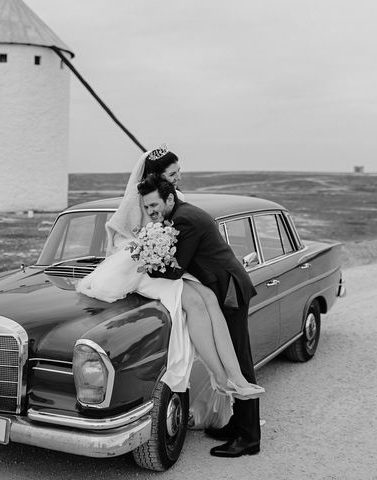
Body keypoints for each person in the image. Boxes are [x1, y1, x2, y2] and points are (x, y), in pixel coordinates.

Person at [77, 148, 263, 423]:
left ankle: (235, 378)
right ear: (156, 176)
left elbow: (177, 243)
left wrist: (160, 250)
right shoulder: (140, 200)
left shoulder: (174, 200)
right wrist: (146, 249)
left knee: (209, 299)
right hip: (142, 268)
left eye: (178, 173)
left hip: (168, 265)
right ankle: (222, 378)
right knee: (197, 303)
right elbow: (119, 237)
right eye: (173, 174)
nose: (178, 178)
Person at [137, 173, 261, 458]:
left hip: (228, 291)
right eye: (147, 208)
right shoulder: (180, 213)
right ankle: (236, 425)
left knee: (240, 361)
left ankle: (249, 438)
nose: (151, 212)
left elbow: (176, 269)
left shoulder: (185, 219)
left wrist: (148, 264)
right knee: (233, 357)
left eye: (154, 205)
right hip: (219, 287)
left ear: (170, 199)